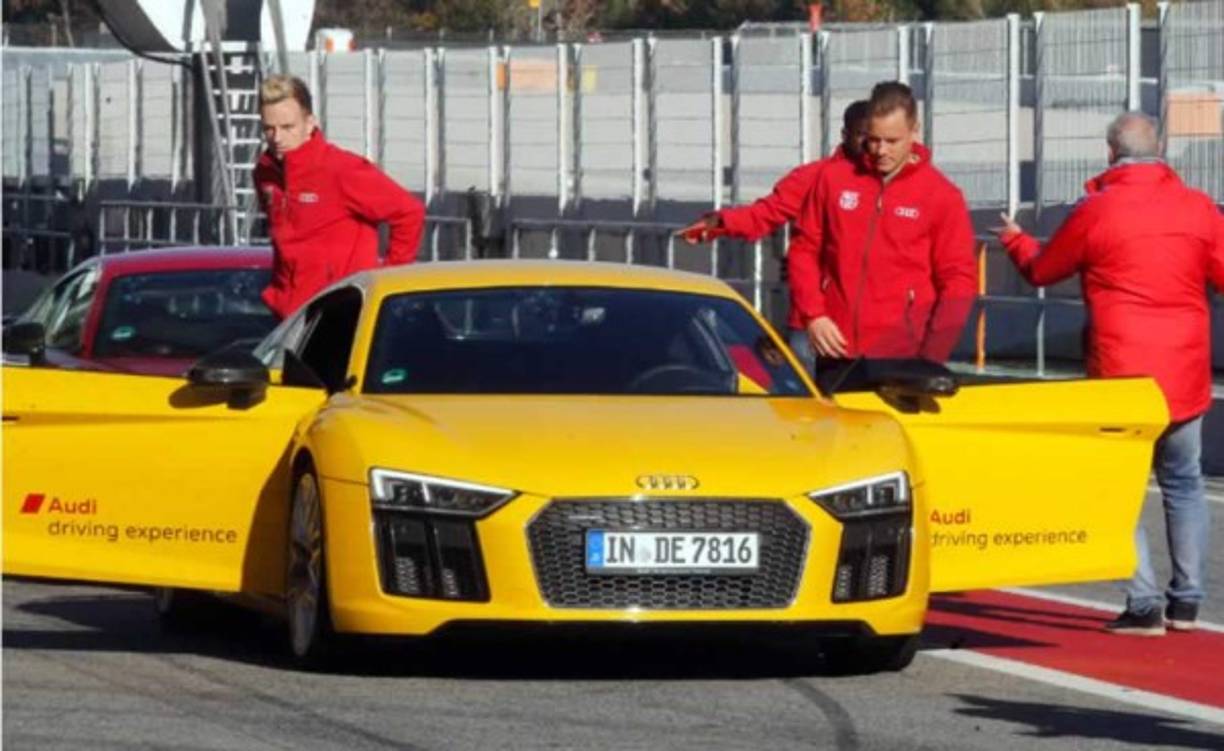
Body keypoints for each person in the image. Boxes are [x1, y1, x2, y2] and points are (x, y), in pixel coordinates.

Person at [994, 111, 1224, 636]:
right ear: (1161, 148)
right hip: (1184, 368)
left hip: (1122, 371)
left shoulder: (1097, 210)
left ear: (1109, 153)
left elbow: (1042, 270)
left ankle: (1143, 604)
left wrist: (1014, 239)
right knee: (1184, 481)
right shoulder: (1199, 208)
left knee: (1121, 487)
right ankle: (1186, 602)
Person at [788, 81, 976, 372]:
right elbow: (804, 249)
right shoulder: (833, 179)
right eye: (874, 139)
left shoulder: (941, 195)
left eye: (892, 140)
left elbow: (958, 280)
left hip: (903, 353)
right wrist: (814, 315)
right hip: (836, 348)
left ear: (914, 131)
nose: (880, 150)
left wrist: (933, 354)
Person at [255, 75, 426, 319]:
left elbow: (409, 212)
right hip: (289, 316)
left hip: (341, 312)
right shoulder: (264, 173)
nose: (277, 138)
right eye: (268, 129)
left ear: (310, 123)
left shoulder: (341, 169)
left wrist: (387, 280)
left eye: (287, 127)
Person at [678, 100, 871, 245]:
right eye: (862, 135)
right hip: (831, 295)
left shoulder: (897, 179)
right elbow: (765, 214)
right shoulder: (815, 176)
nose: (870, 143)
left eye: (878, 136)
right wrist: (720, 221)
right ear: (845, 135)